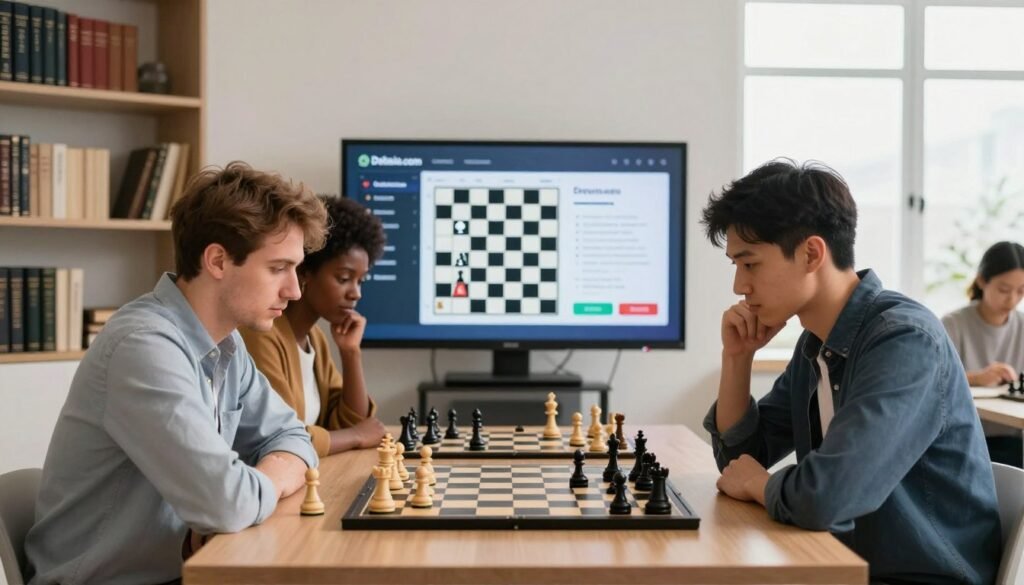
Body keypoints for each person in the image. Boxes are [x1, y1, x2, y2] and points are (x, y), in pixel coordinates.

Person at [24, 162, 329, 585]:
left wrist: (252, 484)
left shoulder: (226, 343)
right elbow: (226, 504)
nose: (294, 291)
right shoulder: (142, 348)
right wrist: (273, 478)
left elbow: (293, 436)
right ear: (218, 260)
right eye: (278, 268)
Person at [699, 159, 1001, 584]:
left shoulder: (904, 341)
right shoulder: (816, 344)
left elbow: (827, 497)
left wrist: (760, 485)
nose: (739, 286)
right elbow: (738, 463)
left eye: (750, 264)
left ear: (811, 254)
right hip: (840, 565)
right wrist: (737, 358)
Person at [241, 196, 387, 456]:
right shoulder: (262, 334)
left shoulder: (315, 338)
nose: (356, 293)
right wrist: (355, 436)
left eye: (360, 281)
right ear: (305, 272)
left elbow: (351, 422)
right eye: (344, 278)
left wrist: (350, 353)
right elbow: (280, 437)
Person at [942, 240, 1024, 466]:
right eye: (1004, 290)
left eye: (1021, 291)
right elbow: (932, 380)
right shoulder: (952, 324)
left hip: (1014, 440)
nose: (1012, 299)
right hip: (965, 440)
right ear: (981, 281)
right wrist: (977, 378)